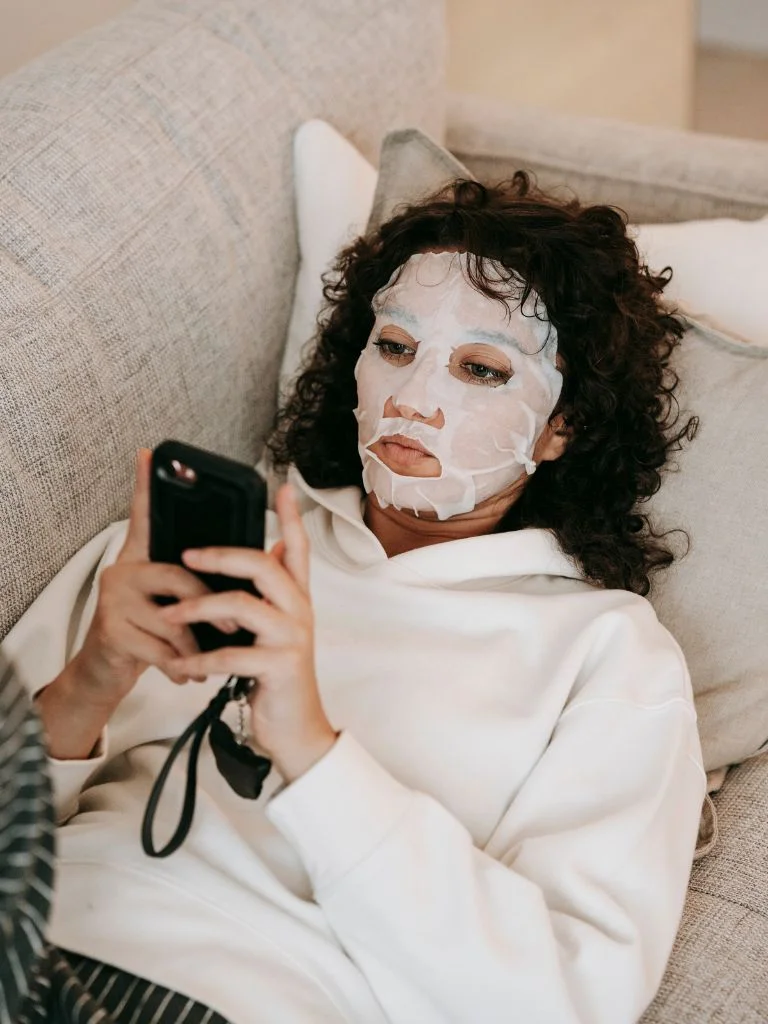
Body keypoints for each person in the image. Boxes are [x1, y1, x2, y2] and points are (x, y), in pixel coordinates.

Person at [8, 175, 706, 1024]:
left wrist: (313, 749)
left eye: (481, 368)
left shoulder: (608, 654)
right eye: (397, 346)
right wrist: (89, 683)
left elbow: (558, 1000)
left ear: (567, 426)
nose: (414, 401)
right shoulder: (220, 536)